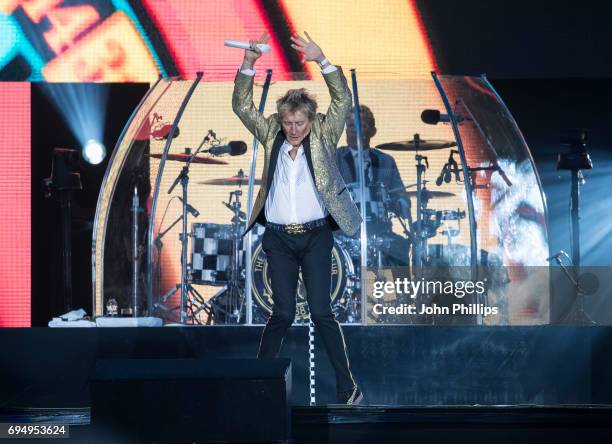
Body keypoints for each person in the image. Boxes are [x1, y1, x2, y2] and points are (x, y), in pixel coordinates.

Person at [232, 31, 363, 404]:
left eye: (299, 124)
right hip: (278, 239)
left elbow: (343, 99)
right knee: (282, 313)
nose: (293, 130)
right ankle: (258, 384)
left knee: (323, 313)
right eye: (288, 123)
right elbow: (242, 106)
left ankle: (347, 386)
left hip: (316, 236)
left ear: (310, 119)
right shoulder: (271, 131)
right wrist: (248, 64)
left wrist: (323, 61)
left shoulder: (324, 131)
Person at [335, 105, 411, 266]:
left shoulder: (385, 161)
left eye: (360, 125)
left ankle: (393, 290)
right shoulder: (334, 158)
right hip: (343, 233)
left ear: (372, 131)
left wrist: (399, 204)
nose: (353, 130)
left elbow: (402, 197)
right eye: (349, 126)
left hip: (380, 231)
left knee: (400, 248)